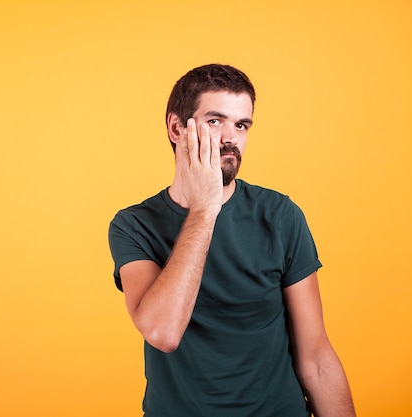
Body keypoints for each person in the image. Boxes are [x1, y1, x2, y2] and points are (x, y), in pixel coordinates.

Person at [108, 64, 355, 417]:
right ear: (177, 127)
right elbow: (163, 332)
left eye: (241, 125)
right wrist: (204, 209)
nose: (230, 138)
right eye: (215, 121)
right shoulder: (134, 225)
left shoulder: (280, 215)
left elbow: (316, 358)